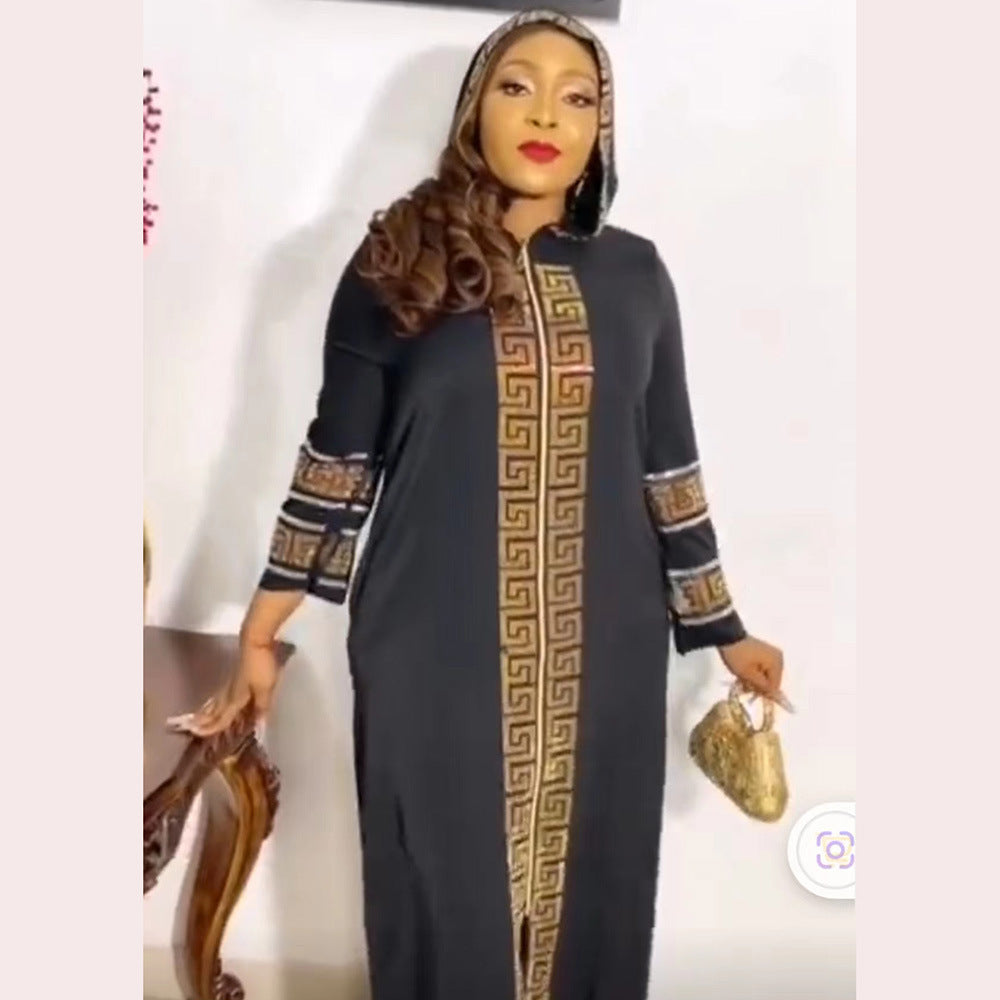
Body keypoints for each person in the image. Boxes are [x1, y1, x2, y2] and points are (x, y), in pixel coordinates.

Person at [168, 8, 788, 1000]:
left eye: (576, 97)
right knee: (441, 887)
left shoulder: (635, 276)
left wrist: (724, 628)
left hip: (606, 645)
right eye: (516, 86)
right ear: (473, 112)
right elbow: (339, 458)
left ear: (600, 129)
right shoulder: (397, 260)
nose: (545, 114)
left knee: (595, 885)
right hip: (431, 641)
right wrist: (260, 629)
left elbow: (668, 464)